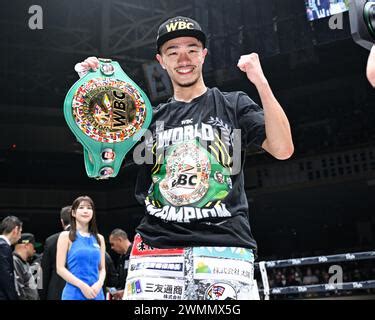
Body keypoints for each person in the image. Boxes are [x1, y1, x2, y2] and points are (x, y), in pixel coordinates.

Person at [75, 16, 293, 300]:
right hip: (155, 252)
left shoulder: (233, 104)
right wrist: (94, 90)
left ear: (204, 54)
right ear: (161, 61)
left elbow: (283, 148)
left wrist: (260, 82)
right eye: (173, 51)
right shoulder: (147, 119)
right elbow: (105, 162)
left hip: (223, 248)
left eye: (191, 48)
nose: (183, 58)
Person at [56, 196, 106, 300]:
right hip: (74, 293)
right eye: (81, 207)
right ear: (73, 213)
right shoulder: (66, 236)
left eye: (89, 208)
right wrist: (82, 286)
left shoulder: (99, 238)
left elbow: (102, 268)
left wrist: (99, 284)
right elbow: (60, 269)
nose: (85, 211)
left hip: (96, 293)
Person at [40, 206, 71, 300]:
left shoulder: (51, 240)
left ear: (62, 221)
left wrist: (41, 296)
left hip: (56, 292)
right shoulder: (90, 239)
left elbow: (44, 273)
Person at [0, 216, 22, 300]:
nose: (20, 236)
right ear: (15, 230)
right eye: (20, 232)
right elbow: (6, 278)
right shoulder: (3, 246)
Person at [13, 233, 40, 300]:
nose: (34, 250)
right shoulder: (14, 261)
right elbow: (18, 289)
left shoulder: (25, 263)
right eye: (33, 246)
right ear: (26, 245)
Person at [108, 229, 133, 300]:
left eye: (112, 244)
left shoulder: (135, 254)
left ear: (119, 240)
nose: (111, 248)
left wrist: (126, 291)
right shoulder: (121, 257)